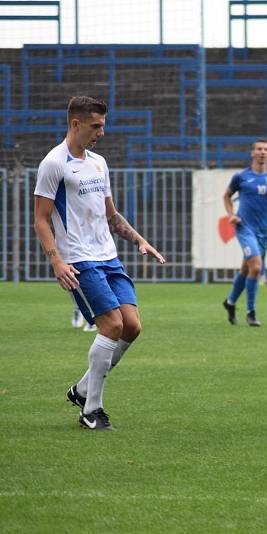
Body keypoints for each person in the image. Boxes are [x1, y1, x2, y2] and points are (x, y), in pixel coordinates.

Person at [33, 95, 165, 431]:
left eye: (103, 125)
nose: (101, 132)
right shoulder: (53, 164)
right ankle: (92, 409)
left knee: (132, 326)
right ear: (75, 124)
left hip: (108, 257)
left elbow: (111, 215)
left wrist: (139, 240)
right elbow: (41, 219)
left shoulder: (98, 163)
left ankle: (81, 389)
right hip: (79, 261)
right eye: (96, 126)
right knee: (112, 327)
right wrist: (57, 262)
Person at [222, 139, 267, 326]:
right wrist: (231, 215)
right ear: (252, 152)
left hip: (262, 230)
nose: (262, 152)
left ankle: (230, 302)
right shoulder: (241, 177)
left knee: (247, 269)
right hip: (244, 228)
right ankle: (251, 312)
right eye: (259, 149)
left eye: (266, 149)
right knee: (257, 267)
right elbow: (227, 195)